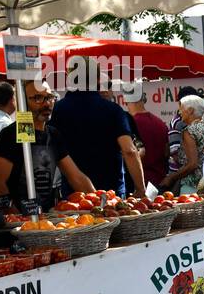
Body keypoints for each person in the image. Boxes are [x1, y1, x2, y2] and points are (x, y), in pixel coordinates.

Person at [0, 81, 94, 212]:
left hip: (44, 219)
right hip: (16, 225)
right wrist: (16, 217)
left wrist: (98, 201)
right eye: (38, 98)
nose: (47, 103)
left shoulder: (53, 135)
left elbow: (76, 176)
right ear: (22, 102)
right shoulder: (11, 134)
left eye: (49, 97)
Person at [48, 61, 146, 198]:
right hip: (111, 194)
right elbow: (129, 150)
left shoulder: (58, 109)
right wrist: (140, 189)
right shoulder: (113, 110)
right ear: (98, 79)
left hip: (74, 194)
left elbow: (52, 149)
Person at [118, 80, 170, 190]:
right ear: (143, 98)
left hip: (137, 185)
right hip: (159, 182)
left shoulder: (126, 126)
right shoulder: (160, 123)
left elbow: (128, 153)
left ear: (125, 100)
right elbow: (166, 152)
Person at [164, 95, 204, 195]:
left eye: (181, 109)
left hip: (192, 187)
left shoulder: (189, 131)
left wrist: (171, 177)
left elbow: (192, 164)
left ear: (190, 110)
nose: (179, 112)